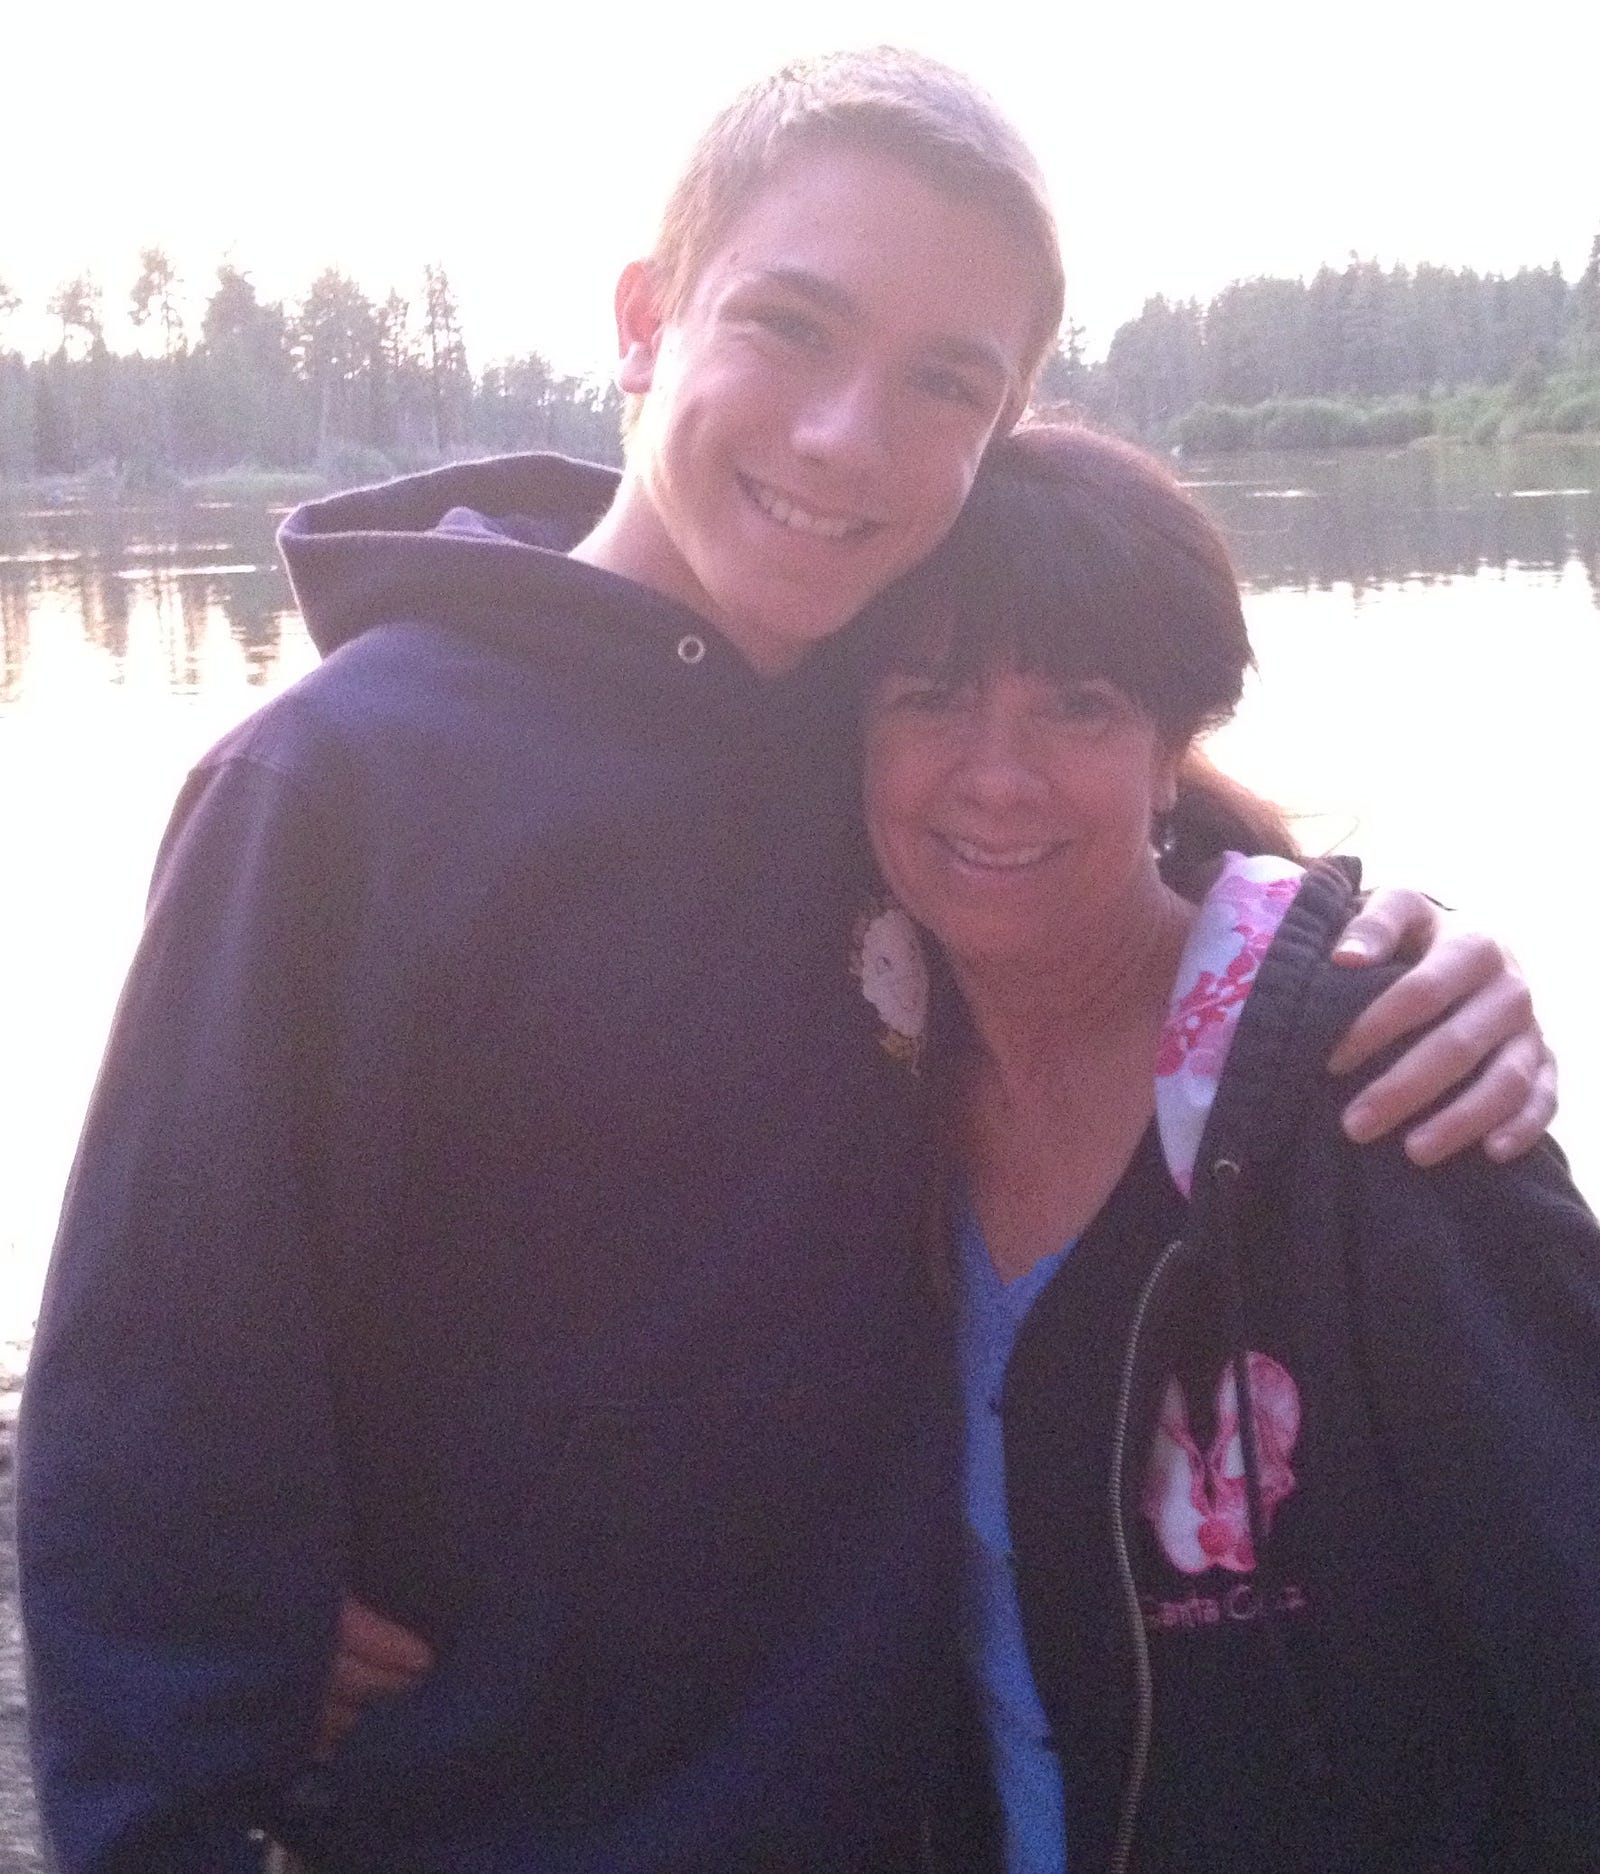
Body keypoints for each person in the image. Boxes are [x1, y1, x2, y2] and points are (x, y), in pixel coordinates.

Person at [15, 48, 1555, 1874]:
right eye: (791, 326)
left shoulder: (871, 725)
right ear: (645, 317)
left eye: (943, 381)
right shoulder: (339, 787)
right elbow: (154, 1421)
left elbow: (1119, 841)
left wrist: (1381, 956)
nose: (844, 437)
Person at [853, 421, 1600, 1872]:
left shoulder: (1376, 1086)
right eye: (929, 697)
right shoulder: (856, 1082)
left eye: (1078, 707)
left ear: (1170, 750)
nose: (995, 776)